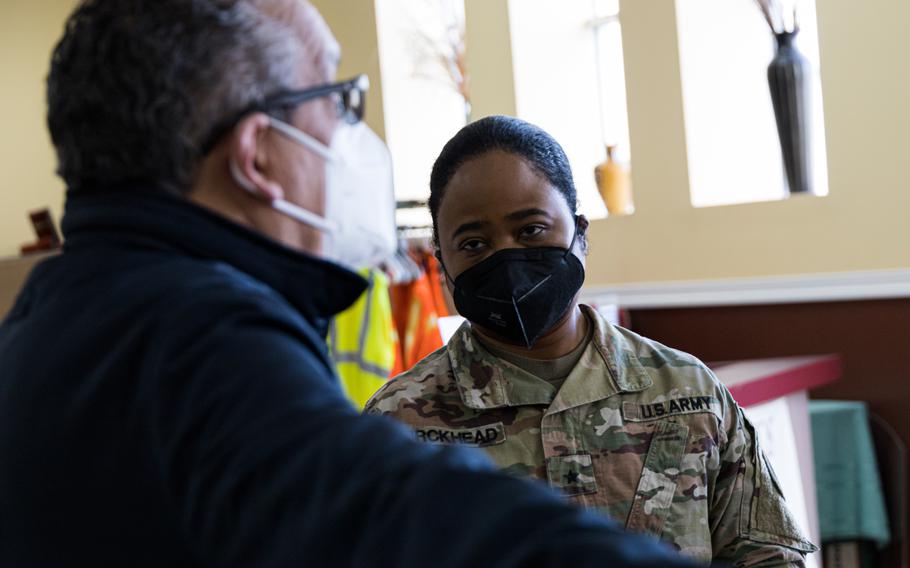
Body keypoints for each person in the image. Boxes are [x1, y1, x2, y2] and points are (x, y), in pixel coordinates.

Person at [0, 1, 707, 567]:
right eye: (337, 102)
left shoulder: (53, 311)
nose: (350, 140)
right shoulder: (196, 337)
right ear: (258, 156)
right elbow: (398, 513)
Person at [365, 115, 818, 566]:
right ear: (443, 264)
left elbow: (767, 558)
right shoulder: (398, 425)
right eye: (474, 244)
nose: (506, 256)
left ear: (580, 235)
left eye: (530, 231)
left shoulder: (688, 392)